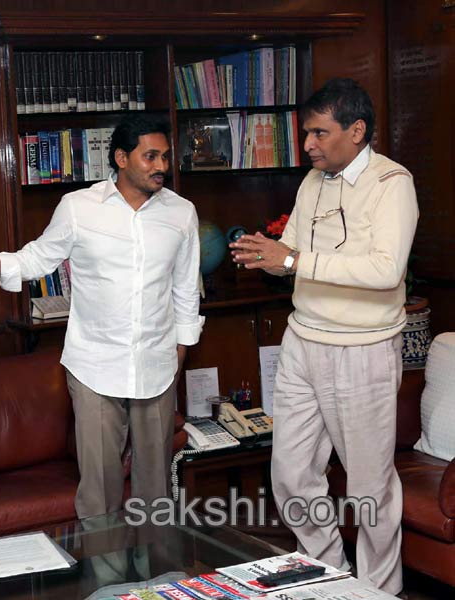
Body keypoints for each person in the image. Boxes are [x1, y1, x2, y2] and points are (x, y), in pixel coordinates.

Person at [0, 114, 203, 519]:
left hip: (157, 367)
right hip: (94, 368)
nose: (162, 166)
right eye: (151, 156)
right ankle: (105, 582)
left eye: (165, 156)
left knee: (155, 490)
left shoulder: (181, 213)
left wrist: (180, 352)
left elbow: (184, 290)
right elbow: (38, 258)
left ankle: (158, 578)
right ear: (121, 158)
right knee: (100, 489)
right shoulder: (78, 208)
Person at [229, 78, 417, 595]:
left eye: (319, 132)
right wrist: (266, 254)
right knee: (290, 475)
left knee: (369, 488)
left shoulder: (390, 183)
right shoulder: (314, 181)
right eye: (305, 132)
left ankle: (380, 591)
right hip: (302, 342)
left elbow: (385, 270)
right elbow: (292, 254)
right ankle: (328, 577)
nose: (308, 143)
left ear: (357, 131)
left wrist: (291, 258)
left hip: (363, 348)